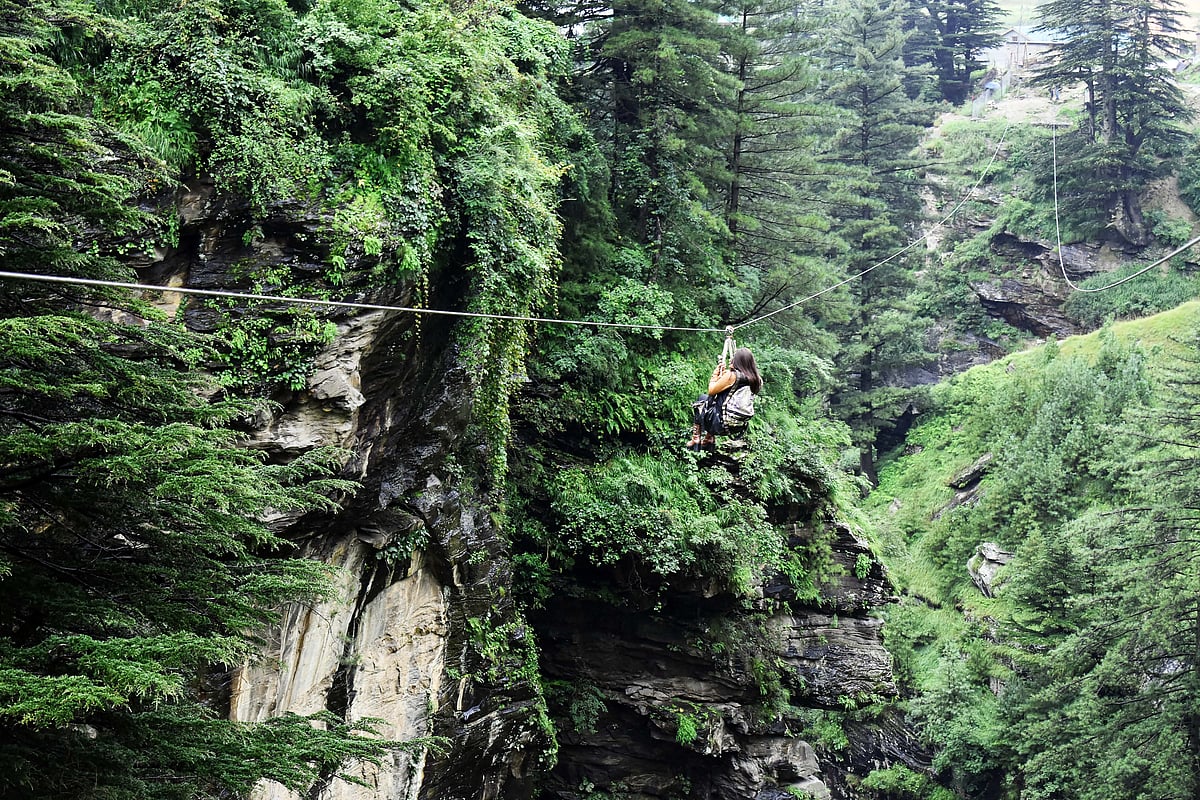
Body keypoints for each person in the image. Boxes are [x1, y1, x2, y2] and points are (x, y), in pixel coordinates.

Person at [686, 346, 762, 451]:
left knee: (702, 399)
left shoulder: (733, 376)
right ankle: (709, 438)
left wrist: (715, 374)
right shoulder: (757, 380)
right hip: (737, 426)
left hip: (720, 423)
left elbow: (712, 390)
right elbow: (731, 391)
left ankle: (696, 438)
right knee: (719, 399)